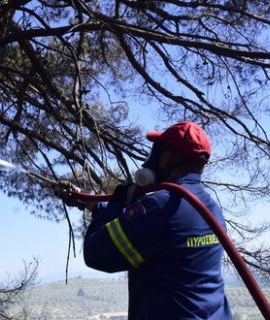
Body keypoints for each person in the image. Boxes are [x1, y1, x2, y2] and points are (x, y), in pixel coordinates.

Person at [60, 121, 232, 319]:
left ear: (167, 158)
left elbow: (96, 253)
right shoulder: (210, 209)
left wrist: (115, 205)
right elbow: (148, 225)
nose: (148, 161)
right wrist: (87, 201)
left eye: (155, 153)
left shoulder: (159, 206)